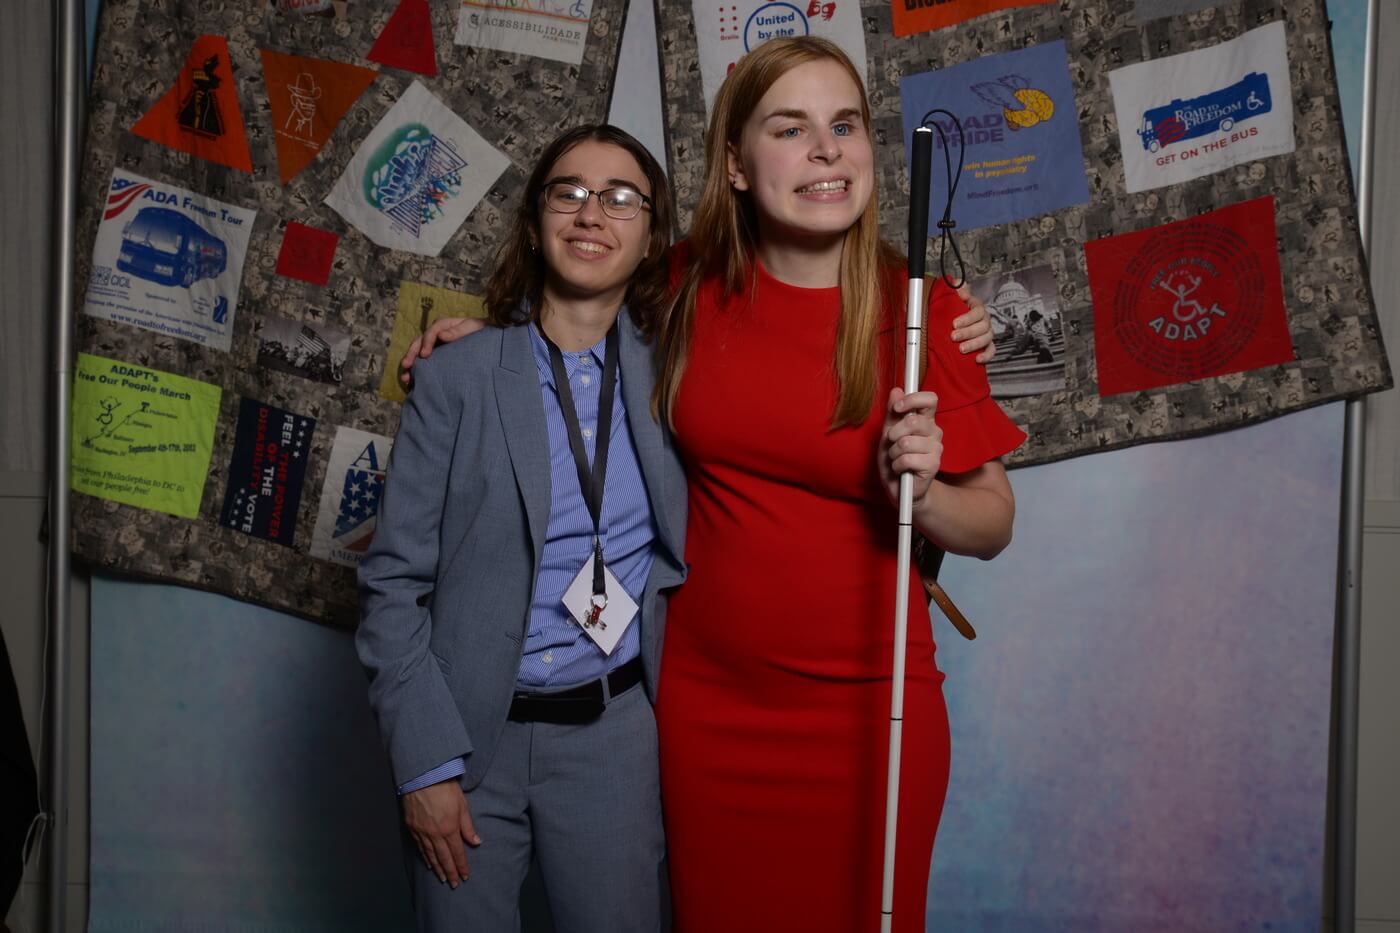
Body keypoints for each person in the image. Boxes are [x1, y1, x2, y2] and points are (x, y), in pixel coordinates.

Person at [401, 37, 1016, 932]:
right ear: (735, 163)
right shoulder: (685, 282)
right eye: (790, 127)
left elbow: (992, 522)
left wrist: (918, 480)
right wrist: (484, 337)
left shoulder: (929, 315)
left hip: (866, 708)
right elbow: (577, 300)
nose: (824, 150)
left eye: (843, 125)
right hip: (703, 705)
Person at [357, 124, 688, 932]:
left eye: (620, 198)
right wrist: (424, 764)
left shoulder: (681, 369)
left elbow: (796, 281)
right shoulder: (459, 377)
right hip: (469, 741)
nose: (591, 214)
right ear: (537, 224)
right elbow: (391, 583)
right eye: (568, 192)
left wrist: (952, 313)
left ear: (650, 237)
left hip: (613, 738)